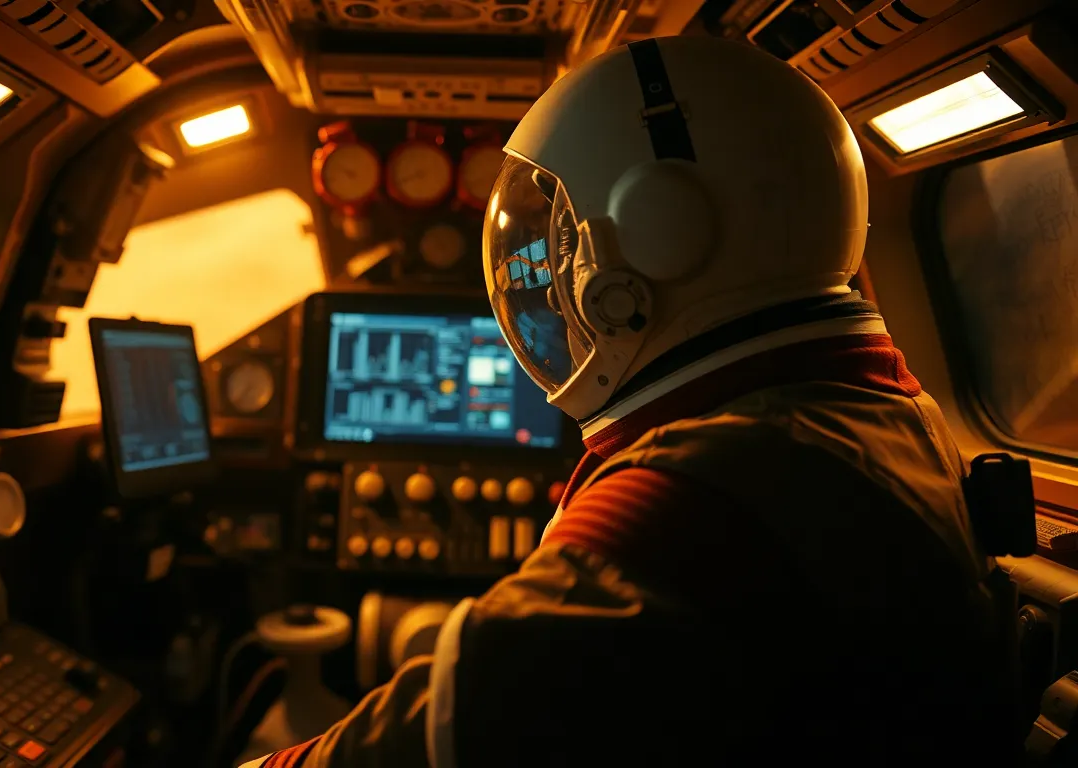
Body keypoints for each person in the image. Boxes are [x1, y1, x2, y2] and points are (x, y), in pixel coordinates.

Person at [243, 35, 1016, 767]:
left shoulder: (689, 506)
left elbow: (420, 737)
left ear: (665, 227)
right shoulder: (885, 408)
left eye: (565, 238)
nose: (552, 280)